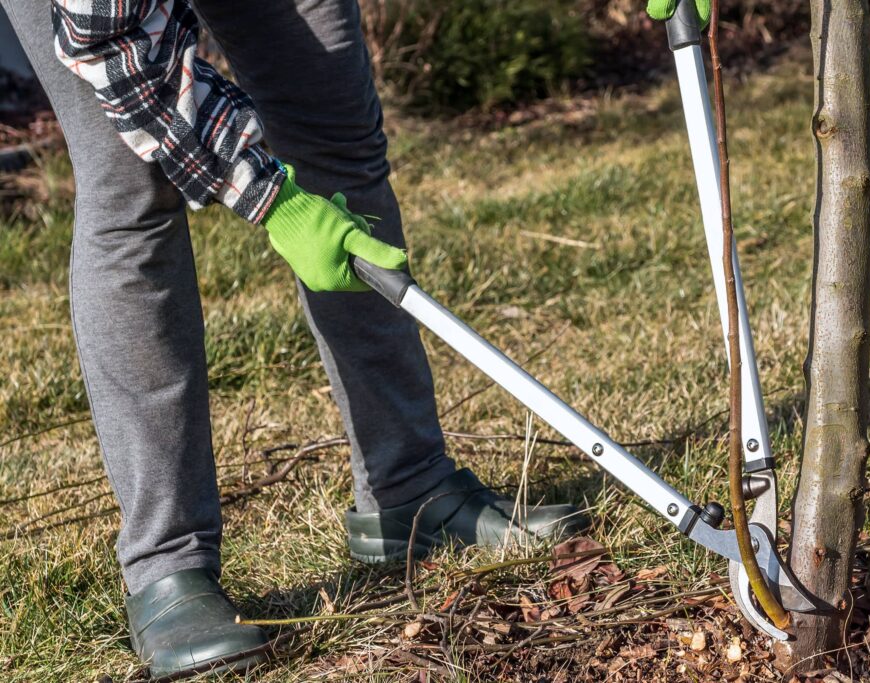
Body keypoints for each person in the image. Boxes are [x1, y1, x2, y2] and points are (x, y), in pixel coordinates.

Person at [1, 0, 588, 677]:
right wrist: (273, 198)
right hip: (104, 20)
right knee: (131, 182)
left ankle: (411, 487)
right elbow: (115, 46)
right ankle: (168, 567)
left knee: (333, 122)